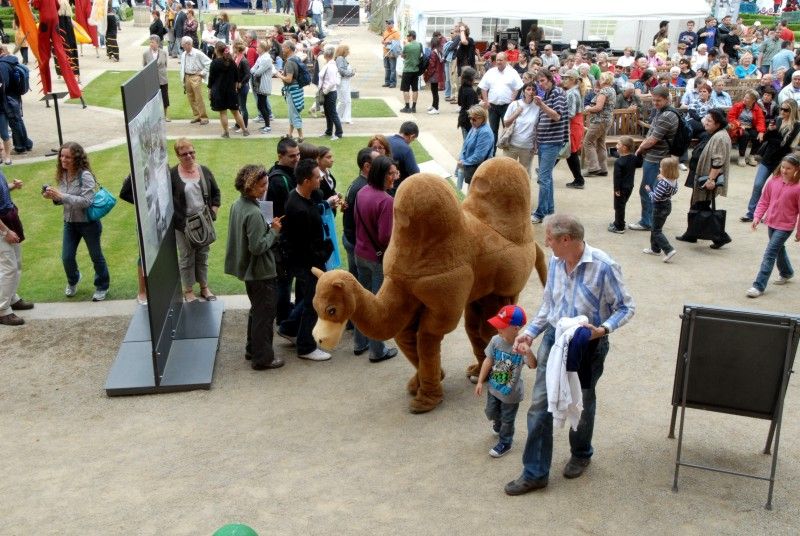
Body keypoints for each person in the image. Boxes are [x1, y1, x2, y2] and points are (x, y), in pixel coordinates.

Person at [504, 214, 635, 495]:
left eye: (549, 238)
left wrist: (601, 330)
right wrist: (529, 333)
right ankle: (535, 472)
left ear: (566, 240)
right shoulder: (556, 261)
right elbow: (548, 305)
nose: (546, 242)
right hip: (554, 338)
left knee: (581, 400)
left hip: (587, 344)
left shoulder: (604, 266)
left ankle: (581, 453)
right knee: (540, 403)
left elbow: (626, 308)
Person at [278, 158, 341, 361]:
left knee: (307, 299)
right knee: (313, 303)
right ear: (306, 181)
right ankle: (306, 347)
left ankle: (288, 328)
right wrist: (326, 251)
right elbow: (304, 245)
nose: (320, 178)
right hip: (308, 264)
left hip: (307, 261)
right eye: (316, 177)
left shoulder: (303, 197)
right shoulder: (299, 209)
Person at [225, 164, 284, 370]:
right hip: (261, 272)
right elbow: (258, 247)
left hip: (250, 271)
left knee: (257, 311)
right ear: (250, 187)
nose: (265, 189)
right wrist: (274, 231)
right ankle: (263, 358)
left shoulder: (237, 205)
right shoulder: (253, 212)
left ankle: (253, 349)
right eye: (262, 186)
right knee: (265, 316)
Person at [42, 142, 110, 302]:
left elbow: (87, 201)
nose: (63, 159)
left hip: (88, 223)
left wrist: (61, 195)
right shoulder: (62, 174)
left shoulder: (84, 175)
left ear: (76, 158)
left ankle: (102, 286)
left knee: (96, 256)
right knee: (66, 257)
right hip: (69, 223)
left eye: (67, 157)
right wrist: (53, 197)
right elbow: (63, 200)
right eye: (61, 156)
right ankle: (73, 279)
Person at [353, 155, 399, 363]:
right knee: (377, 305)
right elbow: (384, 237)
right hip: (376, 259)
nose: (394, 176)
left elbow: (356, 221)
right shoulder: (386, 201)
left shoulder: (362, 191)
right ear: (381, 174)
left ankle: (359, 343)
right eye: (390, 173)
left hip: (360, 253)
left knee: (361, 301)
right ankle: (377, 350)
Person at [474, 304, 532, 458]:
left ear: (515, 328)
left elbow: (533, 365)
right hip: (494, 387)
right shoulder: (495, 341)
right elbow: (488, 360)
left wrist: (529, 352)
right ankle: (497, 424)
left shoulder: (522, 345)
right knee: (492, 411)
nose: (498, 329)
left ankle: (505, 443)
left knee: (508, 419)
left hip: (510, 394)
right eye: (497, 325)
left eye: (502, 326)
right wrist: (480, 381)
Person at [169, 138, 221, 302]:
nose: (189, 156)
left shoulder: (204, 170)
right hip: (183, 224)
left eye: (192, 152)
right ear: (178, 156)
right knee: (186, 257)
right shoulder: (172, 175)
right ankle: (189, 290)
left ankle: (204, 287)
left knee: (203, 255)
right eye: (184, 154)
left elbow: (216, 193)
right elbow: (167, 203)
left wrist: (213, 212)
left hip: (203, 221)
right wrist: (181, 223)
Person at [675, 108, 733, 249]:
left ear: (718, 124)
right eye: (706, 119)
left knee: (701, 206)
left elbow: (718, 161)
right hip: (702, 176)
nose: (705, 123)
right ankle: (692, 234)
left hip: (708, 178)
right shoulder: (715, 134)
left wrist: (711, 180)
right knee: (698, 204)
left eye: (709, 121)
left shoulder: (719, 137)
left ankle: (720, 237)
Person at [747, 153, 800, 298]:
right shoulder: (773, 181)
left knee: (770, 253)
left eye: (788, 168)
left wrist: (798, 231)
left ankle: (758, 286)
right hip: (771, 222)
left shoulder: (798, 187)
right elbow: (764, 200)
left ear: (796, 169)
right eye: (783, 167)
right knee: (778, 249)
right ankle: (787, 272)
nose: (784, 170)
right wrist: (757, 216)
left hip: (786, 226)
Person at [742, 99, 800, 222]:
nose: (782, 111)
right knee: (758, 185)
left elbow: (788, 146)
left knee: (776, 189)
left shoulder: (797, 126)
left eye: (786, 110)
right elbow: (766, 140)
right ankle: (751, 213)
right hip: (768, 157)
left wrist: (774, 135)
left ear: (792, 111)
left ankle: (770, 214)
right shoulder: (778, 120)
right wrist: (769, 130)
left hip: (783, 162)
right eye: (781, 108)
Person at [632, 87, 679, 231]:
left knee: (648, 190)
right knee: (659, 190)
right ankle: (654, 219)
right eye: (653, 99)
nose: (655, 103)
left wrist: (639, 149)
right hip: (659, 156)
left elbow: (653, 139)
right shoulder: (663, 111)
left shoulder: (666, 115)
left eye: (658, 100)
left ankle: (647, 221)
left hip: (656, 158)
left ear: (666, 99)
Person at [531, 69, 568, 224]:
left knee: (543, 178)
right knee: (547, 178)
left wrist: (541, 105)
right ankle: (549, 210)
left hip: (552, 141)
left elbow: (556, 116)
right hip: (544, 140)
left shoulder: (557, 93)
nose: (541, 84)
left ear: (550, 79)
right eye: (539, 82)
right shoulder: (546, 94)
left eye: (542, 81)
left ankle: (540, 213)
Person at [342, 147, 377, 299]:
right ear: (367, 166)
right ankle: (354, 321)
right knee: (360, 290)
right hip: (356, 243)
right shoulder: (363, 188)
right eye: (378, 162)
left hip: (351, 239)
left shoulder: (359, 183)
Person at [0, 170, 32, 326]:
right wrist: (5, 231)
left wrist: (12, 185)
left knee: (16, 262)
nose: (1, 150)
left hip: (9, 218)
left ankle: (11, 298)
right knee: (8, 267)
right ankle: (2, 311)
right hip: (2, 225)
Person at [478, 52, 523, 148]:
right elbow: (483, 87)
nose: (498, 62)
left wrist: (512, 101)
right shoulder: (490, 72)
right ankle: (492, 152)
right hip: (492, 107)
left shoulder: (512, 72)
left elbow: (518, 87)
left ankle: (507, 151)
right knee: (492, 130)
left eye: (501, 60)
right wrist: (486, 101)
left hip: (507, 106)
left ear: (506, 61)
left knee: (507, 129)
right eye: (497, 60)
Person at [642, 156, 680, 262]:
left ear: (666, 170)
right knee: (656, 228)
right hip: (667, 204)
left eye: (661, 167)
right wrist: (663, 178)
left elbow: (655, 198)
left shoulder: (663, 184)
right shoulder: (673, 180)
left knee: (656, 231)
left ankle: (669, 250)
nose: (659, 169)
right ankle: (655, 249)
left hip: (659, 207)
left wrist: (649, 191)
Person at [209, 41, 248, 138]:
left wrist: (209, 91)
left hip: (218, 91)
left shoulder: (214, 63)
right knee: (236, 112)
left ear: (217, 50)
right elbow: (237, 77)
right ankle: (245, 130)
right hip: (231, 91)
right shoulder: (232, 62)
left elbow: (211, 79)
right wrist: (235, 87)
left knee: (223, 113)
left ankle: (226, 132)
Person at [501, 82, 539, 176]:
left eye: (533, 89)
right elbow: (506, 123)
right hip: (511, 144)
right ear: (523, 91)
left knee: (524, 173)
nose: (531, 92)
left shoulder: (538, 107)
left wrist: (535, 145)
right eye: (528, 89)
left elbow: (539, 126)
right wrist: (516, 113)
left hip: (528, 147)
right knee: (507, 171)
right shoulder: (515, 104)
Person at [582, 72, 616, 177]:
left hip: (599, 120)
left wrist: (588, 109)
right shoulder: (612, 90)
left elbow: (598, 107)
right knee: (601, 143)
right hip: (607, 120)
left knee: (588, 142)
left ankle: (593, 168)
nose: (599, 80)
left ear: (604, 80)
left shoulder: (604, 91)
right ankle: (603, 169)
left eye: (600, 79)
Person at [0, 46, 32, 157]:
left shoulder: (2, 64)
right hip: (14, 96)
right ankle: (26, 143)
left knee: (14, 122)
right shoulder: (10, 60)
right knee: (17, 120)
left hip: (8, 97)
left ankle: (20, 147)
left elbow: (4, 84)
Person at [458, 105, 494, 186]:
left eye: (474, 119)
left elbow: (479, 156)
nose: (471, 121)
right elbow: (465, 145)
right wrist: (461, 158)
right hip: (470, 166)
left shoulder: (485, 132)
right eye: (470, 118)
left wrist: (464, 162)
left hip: (479, 170)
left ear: (482, 118)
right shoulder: (475, 127)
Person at [728, 89, 765, 167]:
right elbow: (731, 117)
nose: (744, 99)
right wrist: (739, 124)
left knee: (759, 136)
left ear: (753, 100)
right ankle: (741, 156)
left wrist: (761, 132)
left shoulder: (757, 109)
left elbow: (760, 120)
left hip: (750, 127)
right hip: (737, 127)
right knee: (745, 135)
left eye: (747, 98)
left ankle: (751, 156)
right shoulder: (737, 106)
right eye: (745, 97)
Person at [179, 36, 211, 125]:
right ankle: (196, 115)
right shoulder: (183, 54)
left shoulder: (198, 53)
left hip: (195, 76)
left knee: (198, 97)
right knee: (190, 97)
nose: (182, 46)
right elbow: (182, 67)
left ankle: (204, 117)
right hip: (187, 77)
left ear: (189, 44)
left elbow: (209, 62)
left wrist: (202, 73)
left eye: (183, 45)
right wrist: (183, 79)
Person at [608, 136, 637, 234]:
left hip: (621, 188)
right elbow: (640, 164)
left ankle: (619, 226)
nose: (616, 146)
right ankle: (618, 222)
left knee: (618, 207)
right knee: (622, 205)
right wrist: (640, 153)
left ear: (624, 148)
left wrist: (616, 189)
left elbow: (617, 177)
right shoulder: (633, 158)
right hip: (630, 186)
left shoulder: (619, 162)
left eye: (618, 144)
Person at [562, 70, 585, 189]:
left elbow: (570, 113)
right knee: (569, 153)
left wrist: (558, 116)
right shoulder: (575, 91)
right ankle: (579, 179)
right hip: (576, 124)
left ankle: (579, 180)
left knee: (570, 152)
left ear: (571, 79)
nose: (563, 80)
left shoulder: (571, 93)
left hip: (573, 125)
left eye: (565, 78)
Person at [278, 41, 305, 142]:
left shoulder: (289, 62)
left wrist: (279, 75)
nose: (282, 50)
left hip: (293, 90)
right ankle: (289, 134)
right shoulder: (296, 58)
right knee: (292, 113)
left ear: (289, 48)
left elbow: (289, 79)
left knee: (294, 113)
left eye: (283, 47)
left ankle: (301, 136)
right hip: (297, 88)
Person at [318, 45, 343, 140]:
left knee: (332, 113)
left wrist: (324, 91)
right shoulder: (329, 65)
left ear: (326, 55)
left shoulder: (331, 66)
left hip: (329, 92)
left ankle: (339, 133)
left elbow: (332, 82)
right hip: (327, 92)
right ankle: (329, 131)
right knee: (328, 113)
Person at [143, 35, 170, 121]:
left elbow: (165, 65)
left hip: (162, 79)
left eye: (153, 42)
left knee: (164, 97)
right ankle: (154, 116)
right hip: (151, 80)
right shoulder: (146, 54)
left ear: (158, 43)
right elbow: (144, 66)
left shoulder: (163, 53)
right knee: (152, 99)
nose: (151, 44)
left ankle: (165, 116)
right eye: (150, 42)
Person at [387, 121, 420, 189]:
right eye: (413, 140)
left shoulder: (385, 139)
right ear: (412, 136)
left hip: (381, 183)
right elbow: (415, 173)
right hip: (396, 188)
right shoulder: (406, 149)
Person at [251, 40, 274, 134]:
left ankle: (268, 126)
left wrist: (253, 71)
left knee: (261, 105)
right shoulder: (261, 57)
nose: (256, 48)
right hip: (259, 84)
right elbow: (253, 68)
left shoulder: (266, 58)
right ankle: (266, 124)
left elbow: (257, 72)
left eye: (258, 47)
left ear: (262, 48)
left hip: (263, 85)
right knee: (261, 105)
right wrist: (254, 71)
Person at [399, 30, 422, 114]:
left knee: (405, 89)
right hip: (416, 70)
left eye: (408, 36)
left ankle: (407, 106)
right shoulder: (419, 45)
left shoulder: (407, 46)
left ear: (411, 36)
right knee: (415, 89)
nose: (407, 37)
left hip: (407, 70)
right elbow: (419, 56)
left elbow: (402, 55)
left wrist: (404, 45)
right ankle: (414, 107)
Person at [231, 40, 252, 133]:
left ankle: (245, 126)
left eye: (233, 47)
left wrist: (241, 83)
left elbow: (248, 74)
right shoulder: (237, 58)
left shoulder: (243, 60)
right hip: (238, 87)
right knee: (238, 106)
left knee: (243, 107)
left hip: (243, 87)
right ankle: (238, 124)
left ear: (237, 48)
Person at [424, 33, 445, 115]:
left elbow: (432, 64)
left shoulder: (433, 52)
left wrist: (428, 73)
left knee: (434, 91)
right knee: (434, 91)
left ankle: (436, 108)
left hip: (434, 74)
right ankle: (434, 105)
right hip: (438, 73)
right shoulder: (440, 50)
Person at [457, 67, 480, 140]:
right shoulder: (470, 91)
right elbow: (471, 108)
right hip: (468, 121)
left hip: (463, 118)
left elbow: (459, 103)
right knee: (468, 144)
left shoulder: (462, 88)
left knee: (466, 142)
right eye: (474, 77)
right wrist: (479, 104)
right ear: (471, 78)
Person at [335, 45, 355, 124]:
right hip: (343, 82)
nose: (348, 52)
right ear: (343, 51)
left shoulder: (341, 58)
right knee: (346, 100)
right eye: (347, 50)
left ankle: (340, 117)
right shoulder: (340, 58)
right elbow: (341, 70)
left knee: (344, 100)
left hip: (345, 81)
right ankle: (345, 118)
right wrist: (350, 73)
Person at [381, 19, 400, 88]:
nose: (387, 25)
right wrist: (383, 42)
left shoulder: (396, 32)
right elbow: (383, 40)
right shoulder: (385, 32)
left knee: (392, 68)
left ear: (392, 24)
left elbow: (397, 43)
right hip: (385, 52)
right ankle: (387, 82)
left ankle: (393, 83)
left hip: (392, 53)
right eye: (387, 23)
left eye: (389, 23)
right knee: (387, 68)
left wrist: (389, 42)